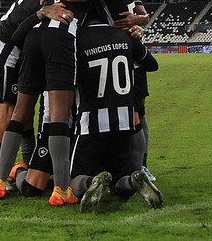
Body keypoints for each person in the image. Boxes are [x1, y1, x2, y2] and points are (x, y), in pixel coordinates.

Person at [0, 0, 144, 205]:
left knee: (19, 112)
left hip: (33, 37)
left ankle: (1, 178)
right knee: (66, 115)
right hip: (68, 43)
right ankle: (66, 187)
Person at [68, 22, 163, 212]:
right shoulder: (124, 36)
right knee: (120, 178)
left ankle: (91, 182)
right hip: (123, 121)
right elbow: (152, 65)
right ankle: (132, 182)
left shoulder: (77, 39)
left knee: (72, 181)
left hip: (91, 123)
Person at [0, 0, 71, 184]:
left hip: (20, 51)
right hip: (5, 51)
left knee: (25, 111)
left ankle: (29, 163)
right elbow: (16, 31)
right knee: (7, 113)